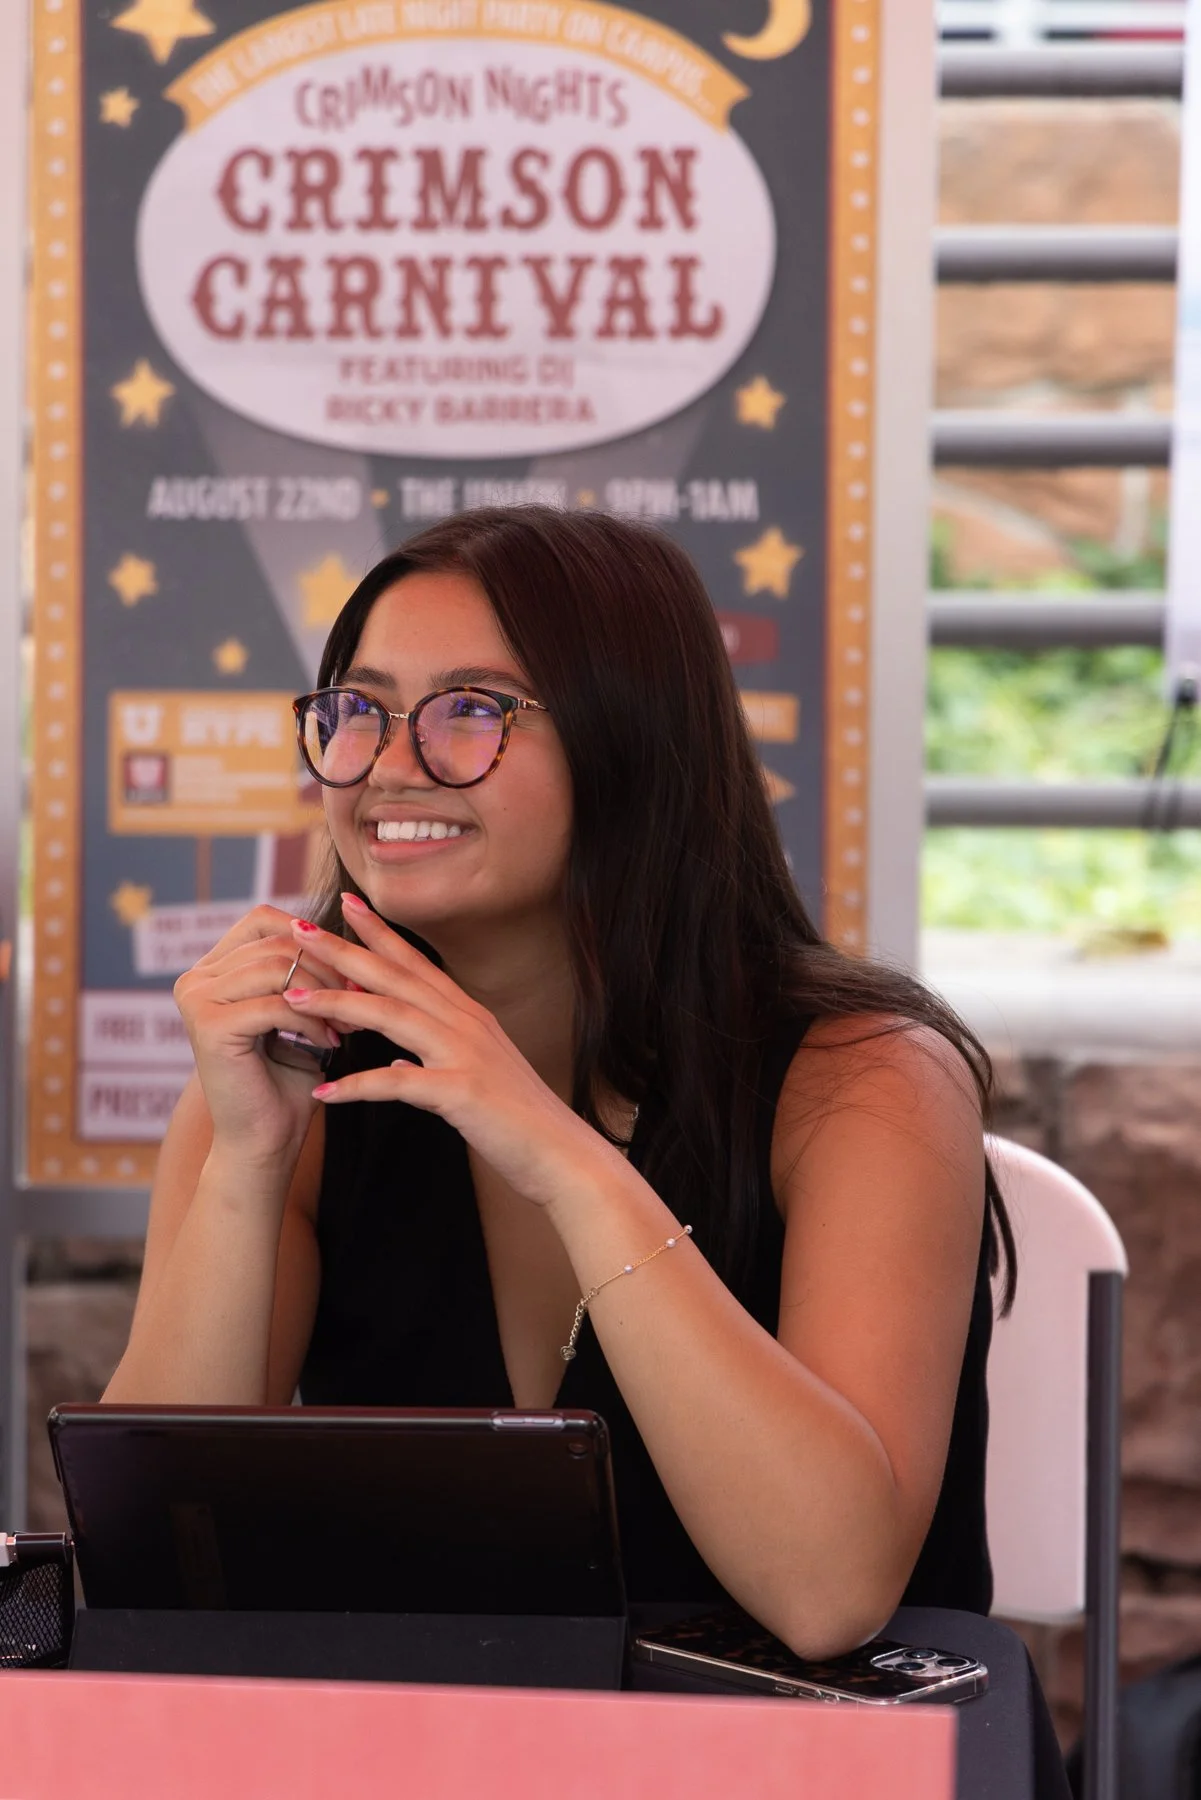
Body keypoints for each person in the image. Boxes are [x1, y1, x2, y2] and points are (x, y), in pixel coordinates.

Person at [104, 505, 1013, 1659]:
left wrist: (562, 1158)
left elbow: (826, 1590)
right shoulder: (293, 1072)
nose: (389, 765)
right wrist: (244, 1162)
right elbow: (151, 1568)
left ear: (629, 741)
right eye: (359, 711)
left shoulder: (866, 1081)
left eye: (469, 712)